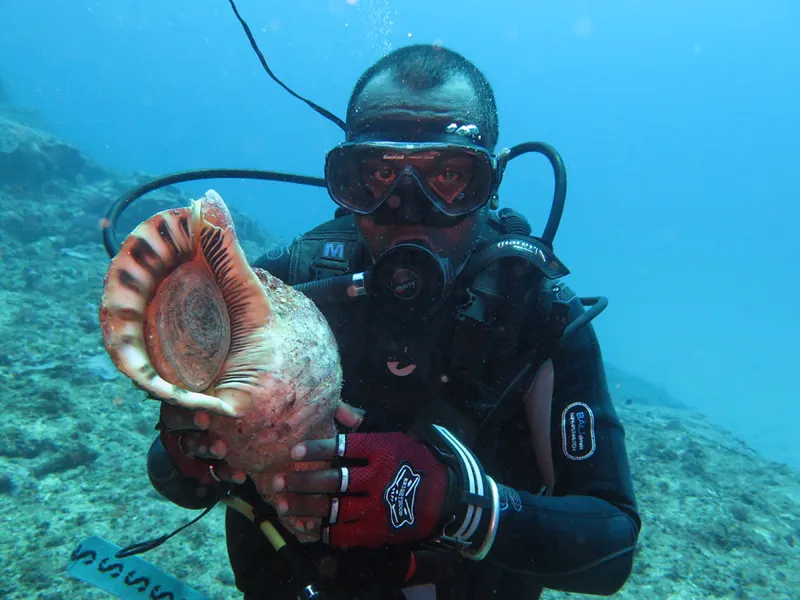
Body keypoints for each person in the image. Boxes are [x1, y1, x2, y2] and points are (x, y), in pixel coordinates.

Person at [147, 44, 641, 600]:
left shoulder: (536, 314)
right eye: (379, 174)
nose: (410, 206)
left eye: (451, 176)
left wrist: (456, 504)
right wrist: (195, 455)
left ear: (490, 185)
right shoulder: (281, 289)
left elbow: (610, 547)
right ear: (347, 183)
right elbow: (174, 478)